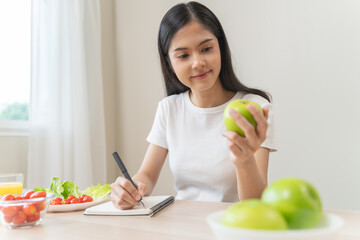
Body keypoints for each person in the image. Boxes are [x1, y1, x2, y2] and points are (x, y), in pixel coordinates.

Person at [111, 1, 276, 210]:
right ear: (169, 62)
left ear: (221, 48)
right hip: (182, 224)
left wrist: (244, 162)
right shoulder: (169, 109)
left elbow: (255, 204)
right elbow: (147, 175)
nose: (197, 62)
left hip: (232, 225)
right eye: (183, 55)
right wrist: (129, 189)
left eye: (206, 49)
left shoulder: (255, 108)